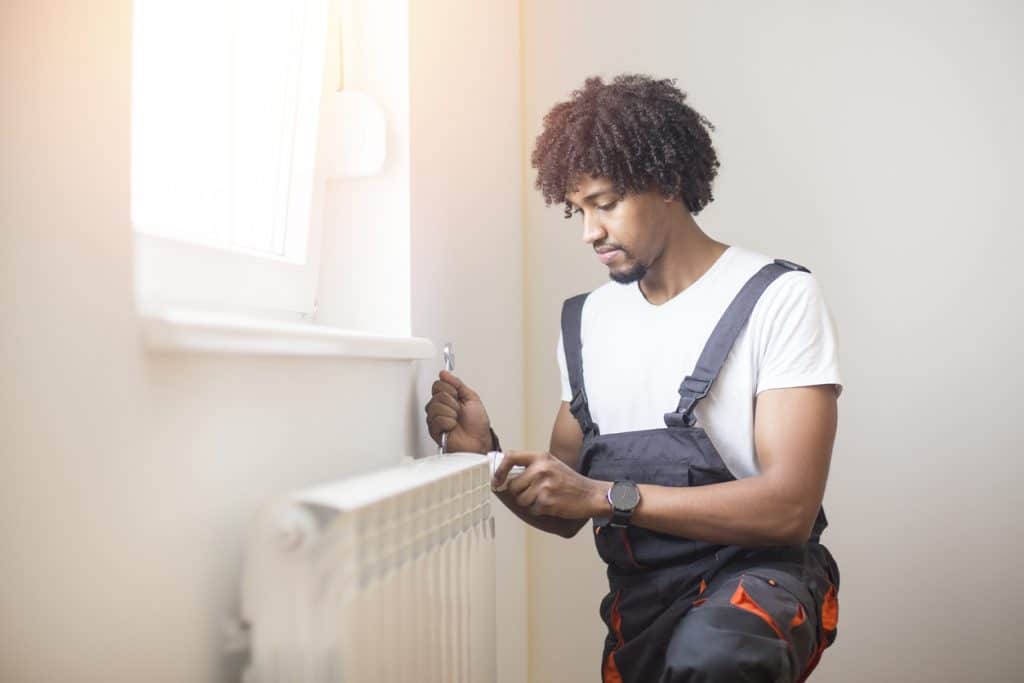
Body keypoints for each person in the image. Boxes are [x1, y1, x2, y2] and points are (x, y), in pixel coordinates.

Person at [424, 73, 841, 682]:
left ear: (668, 183)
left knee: (714, 659)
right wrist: (484, 457)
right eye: (579, 209)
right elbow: (566, 509)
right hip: (641, 605)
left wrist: (607, 496)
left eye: (606, 203)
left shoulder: (778, 297)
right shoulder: (585, 321)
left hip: (758, 590)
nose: (590, 232)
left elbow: (788, 510)